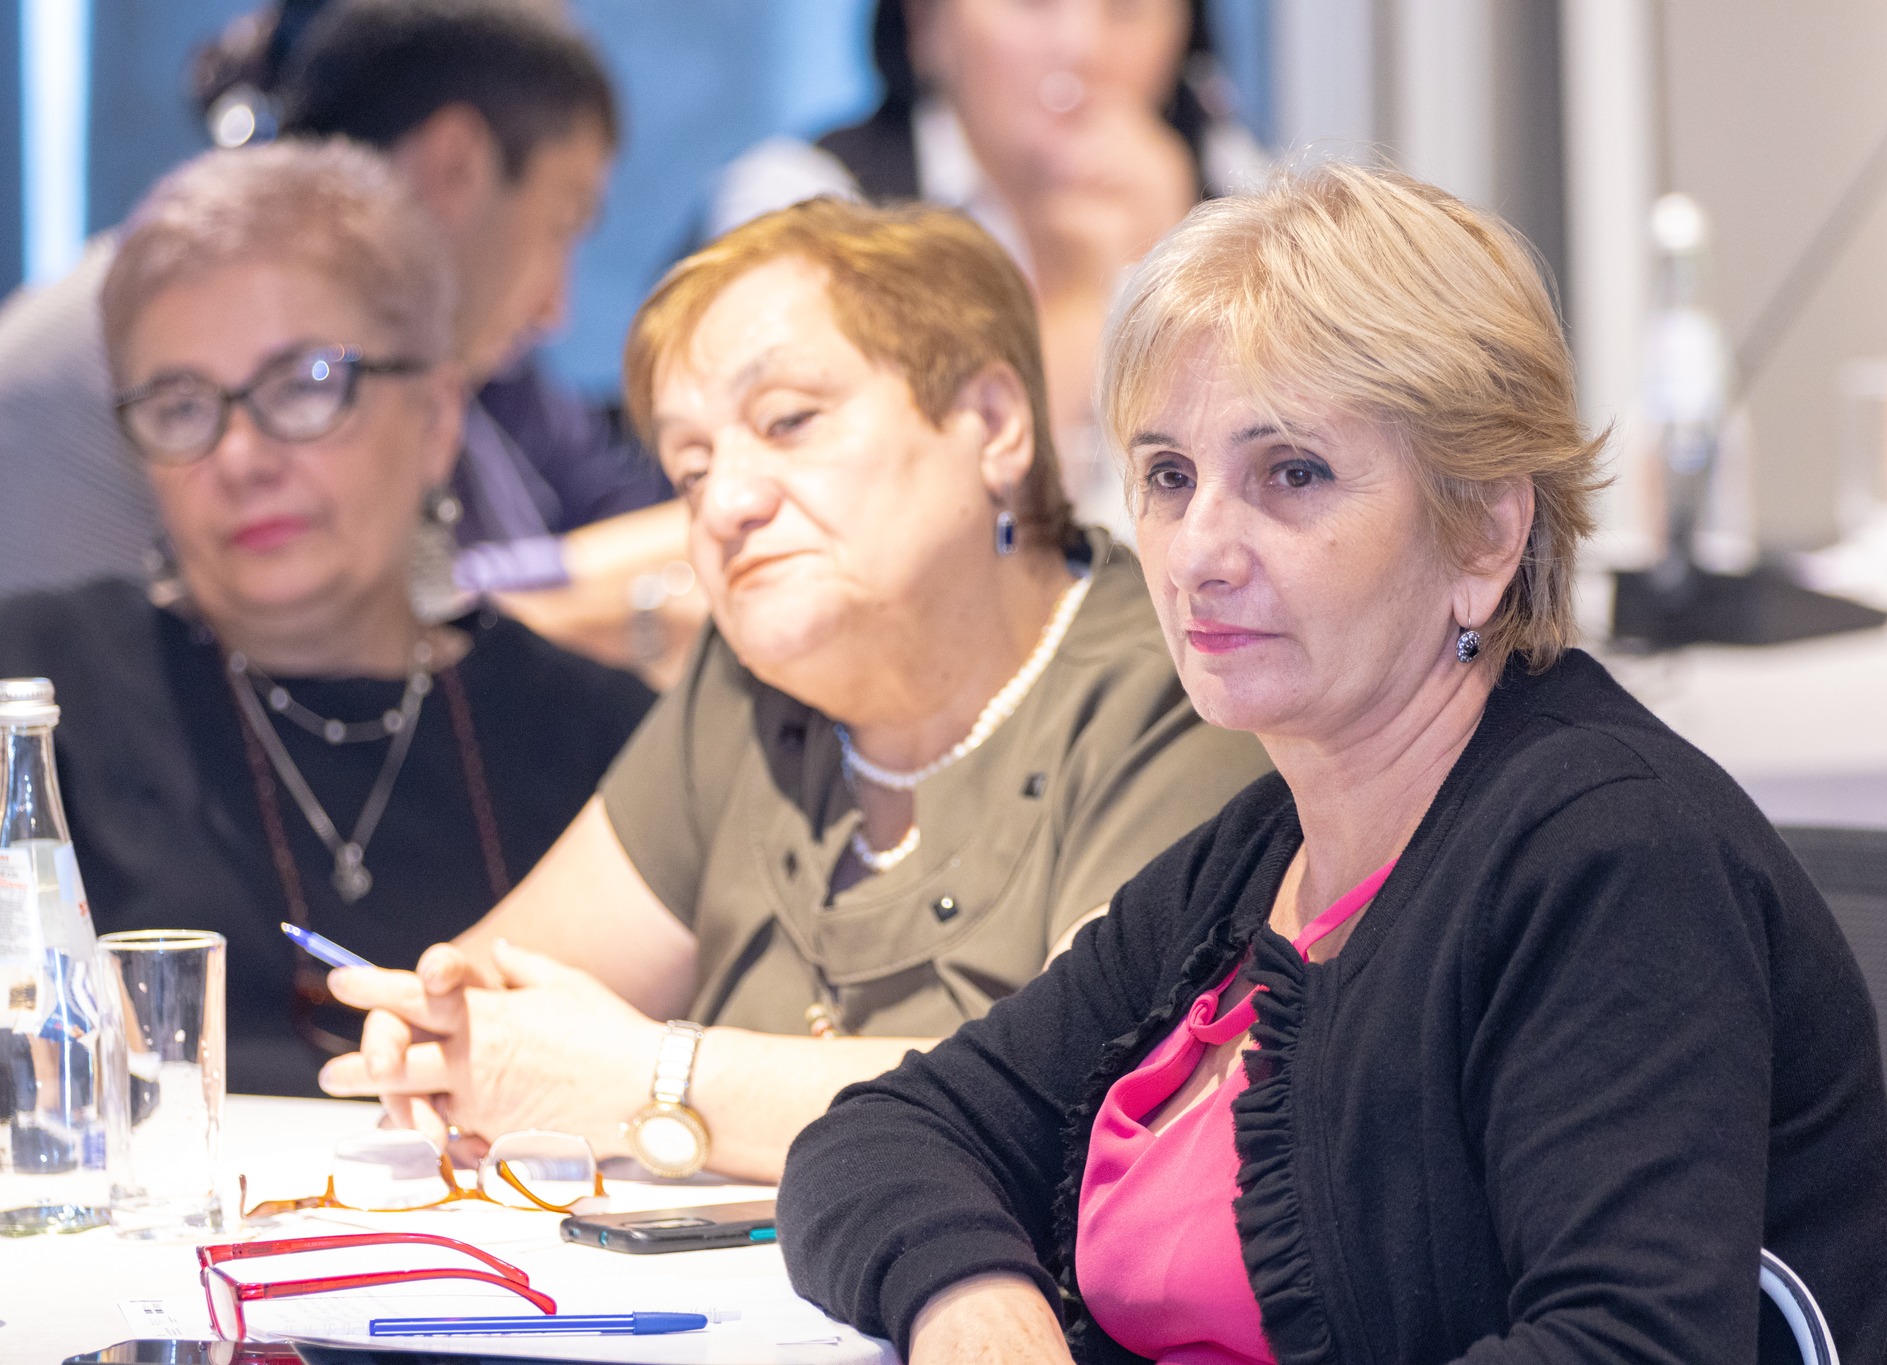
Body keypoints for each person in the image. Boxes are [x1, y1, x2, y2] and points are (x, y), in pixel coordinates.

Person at [776, 165, 1887, 1365]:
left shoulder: (1613, 858)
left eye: (1290, 473)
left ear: (1481, 532)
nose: (1197, 552)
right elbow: (881, 1139)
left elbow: (1626, 1347)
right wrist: (973, 1301)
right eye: (1168, 477)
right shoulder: (1257, 858)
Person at [317, 197, 1274, 1183]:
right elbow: (483, 1008)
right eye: (690, 469)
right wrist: (437, 1034)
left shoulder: (1184, 685)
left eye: (788, 422)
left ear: (992, 423)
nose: (726, 504)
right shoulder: (746, 688)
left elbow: (1080, 1105)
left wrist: (653, 1082)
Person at [0, 142, 654, 1099]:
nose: (241, 456)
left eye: (304, 383)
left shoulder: (607, 740)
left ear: (436, 417)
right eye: (181, 405)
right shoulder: (35, 699)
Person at [0, 0, 699, 683]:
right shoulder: (227, 310)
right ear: (454, 165)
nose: (556, 308)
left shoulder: (412, 341)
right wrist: (639, 613)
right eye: (562, 225)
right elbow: (408, 634)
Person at [708, 0, 1266, 531]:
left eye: (1126, 8)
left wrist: (1179, 257)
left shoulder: (1242, 191)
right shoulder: (807, 203)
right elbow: (877, 512)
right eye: (1032, 3)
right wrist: (1077, 300)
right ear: (926, 26)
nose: (1083, 48)